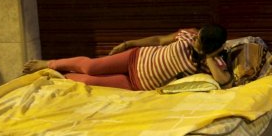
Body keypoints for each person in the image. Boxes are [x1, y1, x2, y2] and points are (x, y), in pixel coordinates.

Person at [22, 24, 232, 90]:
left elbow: (224, 81)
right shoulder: (189, 34)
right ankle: (48, 63)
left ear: (209, 45)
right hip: (135, 58)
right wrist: (129, 43)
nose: (195, 38)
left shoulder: (210, 63)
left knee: (87, 81)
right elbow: (159, 40)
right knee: (91, 67)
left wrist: (209, 57)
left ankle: (55, 75)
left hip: (136, 83)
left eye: (200, 40)